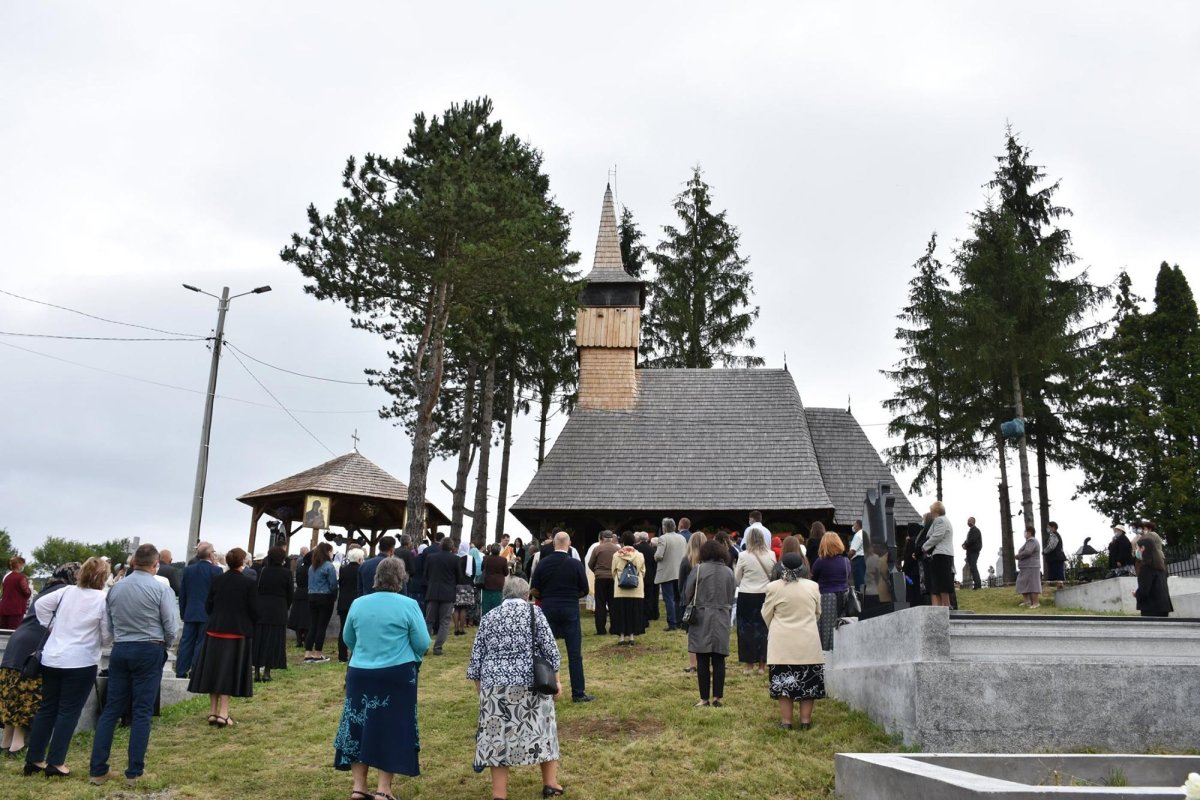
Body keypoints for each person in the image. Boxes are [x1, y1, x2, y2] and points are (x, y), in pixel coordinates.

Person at [336, 557, 430, 800]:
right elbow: (422, 643)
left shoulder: (358, 604)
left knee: (358, 727)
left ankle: (358, 787)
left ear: (375, 578)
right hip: (396, 675)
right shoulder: (409, 605)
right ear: (402, 579)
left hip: (360, 674)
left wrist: (366, 650)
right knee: (392, 728)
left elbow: (348, 639)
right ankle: (383, 790)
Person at [88, 544, 178, 786]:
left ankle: (98, 770)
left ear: (133, 562)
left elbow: (110, 623)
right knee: (141, 711)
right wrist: (165, 646)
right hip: (149, 647)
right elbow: (171, 626)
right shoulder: (160, 589)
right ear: (155, 564)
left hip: (122, 648)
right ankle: (134, 771)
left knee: (111, 710)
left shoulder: (115, 589)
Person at [467, 576, 564, 800]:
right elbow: (551, 652)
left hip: (494, 685)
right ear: (527, 594)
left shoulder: (488, 617)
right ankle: (550, 784)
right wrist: (557, 682)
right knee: (543, 731)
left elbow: (476, 661)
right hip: (531, 683)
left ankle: (499, 794)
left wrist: (482, 693)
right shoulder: (534, 613)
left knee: (497, 739)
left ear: (504, 594)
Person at [21, 558, 109, 778]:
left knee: (47, 708)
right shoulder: (103, 599)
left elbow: (40, 605)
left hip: (53, 656)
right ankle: (56, 761)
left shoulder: (66, 592)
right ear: (103, 577)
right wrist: (101, 641)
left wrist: (51, 627)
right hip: (81, 660)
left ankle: (34, 758)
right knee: (68, 711)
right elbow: (107, 632)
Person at [0, 563, 80, 759]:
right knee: (27, 695)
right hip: (34, 647)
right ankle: (17, 745)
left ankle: (5, 742)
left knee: (12, 693)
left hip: (16, 642)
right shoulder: (66, 592)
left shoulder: (46, 589)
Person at [187, 548, 258, 727]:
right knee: (227, 673)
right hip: (236, 632)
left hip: (214, 630)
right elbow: (254, 610)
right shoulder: (248, 583)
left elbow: (208, 605)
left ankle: (212, 712)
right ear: (242, 562)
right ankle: (223, 714)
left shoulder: (217, 580)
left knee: (214, 670)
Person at [762, 551, 824, 730]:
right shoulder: (813, 586)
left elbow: (766, 614)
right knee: (809, 685)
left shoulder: (773, 587)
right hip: (808, 642)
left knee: (784, 686)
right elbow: (817, 613)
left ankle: (786, 722)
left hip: (782, 644)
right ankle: (805, 721)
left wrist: (776, 627)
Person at [530, 531, 592, 702]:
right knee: (574, 654)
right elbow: (585, 590)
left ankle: (545, 690)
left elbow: (534, 589)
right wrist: (572, 596)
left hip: (548, 608)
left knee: (544, 651)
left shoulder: (543, 564)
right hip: (570, 609)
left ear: (553, 544)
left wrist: (546, 597)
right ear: (569, 543)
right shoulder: (576, 564)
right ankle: (578, 693)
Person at [683, 540, 735, 708]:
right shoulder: (728, 572)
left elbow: (687, 592)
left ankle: (704, 698)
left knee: (702, 658)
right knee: (719, 659)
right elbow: (731, 593)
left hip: (701, 617)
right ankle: (718, 698)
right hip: (721, 616)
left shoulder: (698, 570)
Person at [176, 542, 222, 679]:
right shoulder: (216, 571)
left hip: (190, 612)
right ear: (210, 554)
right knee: (201, 643)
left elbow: (183, 593)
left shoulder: (188, 570)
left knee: (186, 643)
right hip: (207, 613)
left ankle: (181, 670)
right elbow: (217, 595)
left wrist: (183, 612)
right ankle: (195, 670)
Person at [733, 527, 775, 676]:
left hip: (747, 595)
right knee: (764, 630)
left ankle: (749, 665)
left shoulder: (743, 556)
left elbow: (736, 579)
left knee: (746, 631)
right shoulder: (771, 555)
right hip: (764, 595)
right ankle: (763, 665)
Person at [253, 546, 293, 683]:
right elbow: (290, 594)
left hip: (262, 608)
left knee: (260, 639)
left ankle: (257, 670)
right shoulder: (286, 573)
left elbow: (257, 589)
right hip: (278, 608)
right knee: (273, 641)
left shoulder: (263, 571)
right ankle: (267, 672)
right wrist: (285, 606)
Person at [810, 531, 851, 651]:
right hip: (843, 596)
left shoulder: (820, 562)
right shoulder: (845, 561)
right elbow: (847, 576)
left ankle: (826, 653)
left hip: (826, 598)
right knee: (842, 626)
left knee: (827, 630)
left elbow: (814, 579)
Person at [424, 538, 465, 656]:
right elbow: (460, 578)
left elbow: (426, 574)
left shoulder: (431, 557)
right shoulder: (456, 559)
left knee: (429, 621)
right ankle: (437, 648)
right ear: (452, 547)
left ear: (440, 546)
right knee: (444, 622)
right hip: (448, 593)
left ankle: (425, 647)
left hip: (432, 592)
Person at [610, 531, 646, 646]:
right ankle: (631, 636)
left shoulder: (616, 555)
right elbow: (643, 571)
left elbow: (613, 572)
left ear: (623, 542)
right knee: (633, 612)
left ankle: (621, 637)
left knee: (621, 613)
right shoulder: (639, 555)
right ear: (634, 541)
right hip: (636, 589)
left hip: (620, 589)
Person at [305, 542, 338, 663]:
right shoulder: (329, 566)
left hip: (311, 596)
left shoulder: (311, 567)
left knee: (313, 625)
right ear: (327, 552)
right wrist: (334, 596)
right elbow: (333, 584)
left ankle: (308, 653)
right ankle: (318, 654)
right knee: (321, 626)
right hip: (325, 597)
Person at [654, 518, 687, 631]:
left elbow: (658, 555)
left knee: (669, 598)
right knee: (678, 598)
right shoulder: (682, 538)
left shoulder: (663, 538)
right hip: (680, 572)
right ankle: (679, 621)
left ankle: (672, 623)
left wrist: (656, 555)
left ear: (664, 527)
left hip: (667, 572)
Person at [921, 501, 955, 608]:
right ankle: (942, 605)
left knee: (942, 582)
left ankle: (946, 605)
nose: (931, 513)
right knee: (939, 582)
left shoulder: (940, 520)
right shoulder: (945, 520)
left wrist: (925, 546)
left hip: (941, 554)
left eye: (932, 511)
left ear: (935, 511)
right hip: (945, 554)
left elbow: (937, 536)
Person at [587, 530, 620, 636]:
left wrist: (597, 572)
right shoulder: (617, 549)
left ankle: (601, 629)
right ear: (611, 538)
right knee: (613, 603)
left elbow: (590, 563)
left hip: (600, 578)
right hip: (613, 578)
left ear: (602, 538)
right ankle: (614, 628)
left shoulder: (597, 548)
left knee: (600, 604)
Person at [1132, 536, 1173, 617]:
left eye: (1137, 548)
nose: (1136, 551)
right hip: (1164, 606)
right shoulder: (1161, 567)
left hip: (1151, 607)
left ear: (1142, 548)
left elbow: (1144, 590)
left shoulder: (1146, 568)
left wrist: (1136, 594)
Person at [337, 548, 364, 662]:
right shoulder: (361, 570)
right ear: (359, 559)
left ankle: (342, 656)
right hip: (356, 602)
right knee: (358, 630)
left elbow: (341, 584)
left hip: (343, 602)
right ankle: (355, 654)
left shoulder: (343, 569)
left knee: (343, 628)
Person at [288, 551, 312, 648]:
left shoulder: (300, 568)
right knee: (306, 618)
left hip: (299, 593)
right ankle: (306, 639)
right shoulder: (311, 569)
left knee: (298, 618)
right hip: (308, 593)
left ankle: (298, 640)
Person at [0, 556, 32, 630]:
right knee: (13, 631)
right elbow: (26, 592)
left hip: (4, 607)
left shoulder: (6, 577)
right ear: (19, 565)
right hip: (16, 609)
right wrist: (29, 589)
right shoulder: (21, 578)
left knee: (2, 631)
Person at [1015, 526, 1042, 608]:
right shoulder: (1028, 541)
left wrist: (1019, 556)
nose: (1024, 533)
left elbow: (1028, 552)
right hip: (1026, 566)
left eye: (1025, 532)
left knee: (1033, 584)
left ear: (1029, 532)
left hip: (1032, 566)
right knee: (1023, 582)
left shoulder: (1032, 541)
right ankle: (1027, 601)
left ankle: (1036, 603)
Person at [635, 531, 659, 624]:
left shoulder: (636, 549)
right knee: (649, 597)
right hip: (650, 577)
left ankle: (640, 613)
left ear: (639, 539)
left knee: (640, 596)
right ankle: (649, 615)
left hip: (639, 576)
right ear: (648, 539)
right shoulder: (652, 550)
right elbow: (654, 565)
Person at [453, 540, 475, 636]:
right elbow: (473, 572)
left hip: (457, 585)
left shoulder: (455, 558)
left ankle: (456, 628)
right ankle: (462, 629)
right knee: (463, 608)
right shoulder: (471, 558)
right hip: (467, 585)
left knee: (456, 608)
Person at [480, 544, 508, 617]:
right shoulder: (503, 560)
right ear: (499, 551)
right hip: (498, 585)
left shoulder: (486, 558)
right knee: (497, 606)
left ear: (491, 550)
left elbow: (482, 569)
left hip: (487, 584)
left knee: (486, 606)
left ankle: (485, 622)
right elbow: (506, 573)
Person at [1044, 521, 1067, 589]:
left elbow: (1051, 546)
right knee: (1056, 576)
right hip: (1056, 558)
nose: (1047, 529)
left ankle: (1059, 589)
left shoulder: (1054, 535)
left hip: (1055, 558)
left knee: (1057, 576)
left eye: (1048, 527)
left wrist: (1044, 551)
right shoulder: (1056, 535)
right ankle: (1058, 589)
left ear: (1053, 527)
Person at [962, 517, 983, 590]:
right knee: (972, 568)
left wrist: (966, 545)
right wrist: (963, 544)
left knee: (973, 567)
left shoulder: (976, 530)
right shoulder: (970, 531)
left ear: (973, 521)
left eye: (969, 521)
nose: (968, 522)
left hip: (974, 551)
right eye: (967, 521)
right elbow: (967, 540)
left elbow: (972, 540)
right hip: (969, 552)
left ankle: (978, 585)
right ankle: (976, 585)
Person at [847, 520, 866, 594]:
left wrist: (846, 558)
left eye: (854, 525)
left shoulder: (858, 535)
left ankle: (860, 599)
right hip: (864, 559)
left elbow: (852, 551)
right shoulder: (865, 534)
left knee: (859, 581)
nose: (853, 527)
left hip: (858, 560)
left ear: (858, 525)